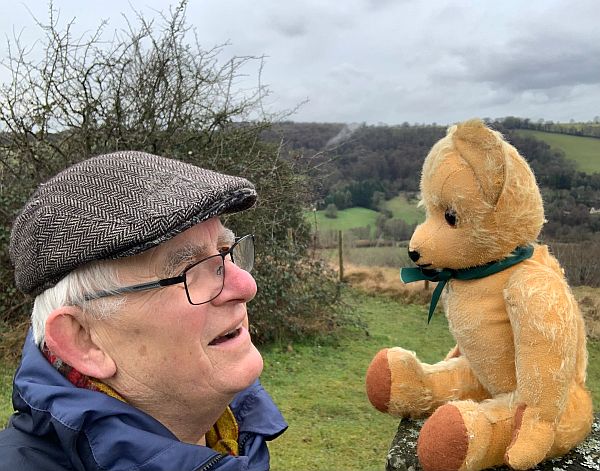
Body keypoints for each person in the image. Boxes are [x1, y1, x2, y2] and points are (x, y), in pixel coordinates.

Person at [0, 151, 287, 471]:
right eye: (190, 269)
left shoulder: (233, 433)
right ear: (83, 339)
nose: (246, 286)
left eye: (224, 253)